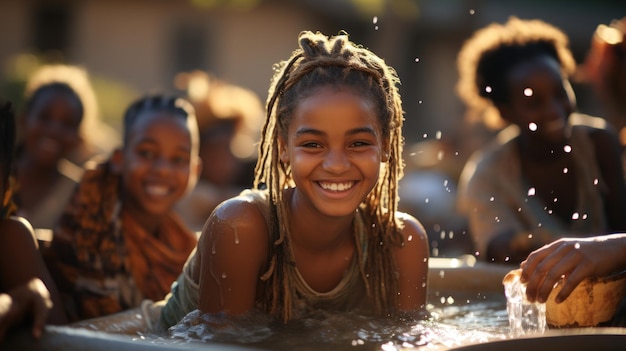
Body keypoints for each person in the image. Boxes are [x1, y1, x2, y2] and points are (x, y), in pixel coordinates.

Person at [158, 30, 429, 330]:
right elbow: (221, 345)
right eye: (313, 144)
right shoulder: (239, 226)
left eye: (358, 144)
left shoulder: (401, 242)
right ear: (283, 147)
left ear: (387, 145)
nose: (336, 165)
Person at [455, 17, 626, 264]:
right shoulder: (487, 175)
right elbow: (498, 250)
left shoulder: (599, 144)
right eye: (534, 103)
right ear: (506, 112)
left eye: (560, 93)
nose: (555, 110)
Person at [41, 95, 201, 322]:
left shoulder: (187, 250)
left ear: (195, 170)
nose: (163, 170)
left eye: (178, 159)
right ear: (119, 159)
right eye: (146, 153)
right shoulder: (89, 224)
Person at [13, 64, 118, 230]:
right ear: (24, 120)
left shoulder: (82, 196)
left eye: (67, 124)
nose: (54, 130)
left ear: (78, 138)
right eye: (45, 117)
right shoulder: (3, 174)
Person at [0, 99, 67, 341]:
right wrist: (14, 300)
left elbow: (64, 340)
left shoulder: (9, 237)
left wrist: (26, 297)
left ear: (7, 192)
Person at [173, 71, 263, 232]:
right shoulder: (183, 186)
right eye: (213, 150)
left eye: (227, 148)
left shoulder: (255, 177)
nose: (222, 159)